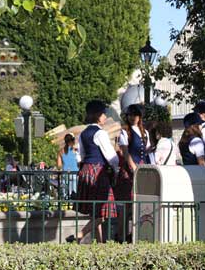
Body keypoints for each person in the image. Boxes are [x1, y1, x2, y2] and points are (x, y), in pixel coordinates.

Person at [66, 100, 119, 244]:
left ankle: (100, 245)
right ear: (97, 115)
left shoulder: (83, 134)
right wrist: (116, 170)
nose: (105, 116)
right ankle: (79, 234)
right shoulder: (100, 133)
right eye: (103, 113)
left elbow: (80, 156)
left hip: (85, 171)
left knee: (96, 212)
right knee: (102, 212)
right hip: (98, 172)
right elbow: (111, 156)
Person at [115, 103, 151, 242]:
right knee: (126, 205)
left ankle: (136, 235)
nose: (132, 117)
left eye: (135, 115)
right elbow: (125, 152)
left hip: (142, 169)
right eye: (130, 115)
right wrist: (134, 168)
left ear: (140, 116)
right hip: (129, 170)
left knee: (140, 203)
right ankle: (120, 236)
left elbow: (146, 152)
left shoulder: (145, 132)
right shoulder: (125, 131)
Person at [57, 133, 80, 199]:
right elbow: (79, 162)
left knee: (65, 196)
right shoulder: (76, 151)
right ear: (73, 141)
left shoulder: (60, 151)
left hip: (65, 174)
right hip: (75, 174)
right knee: (74, 195)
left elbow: (59, 165)